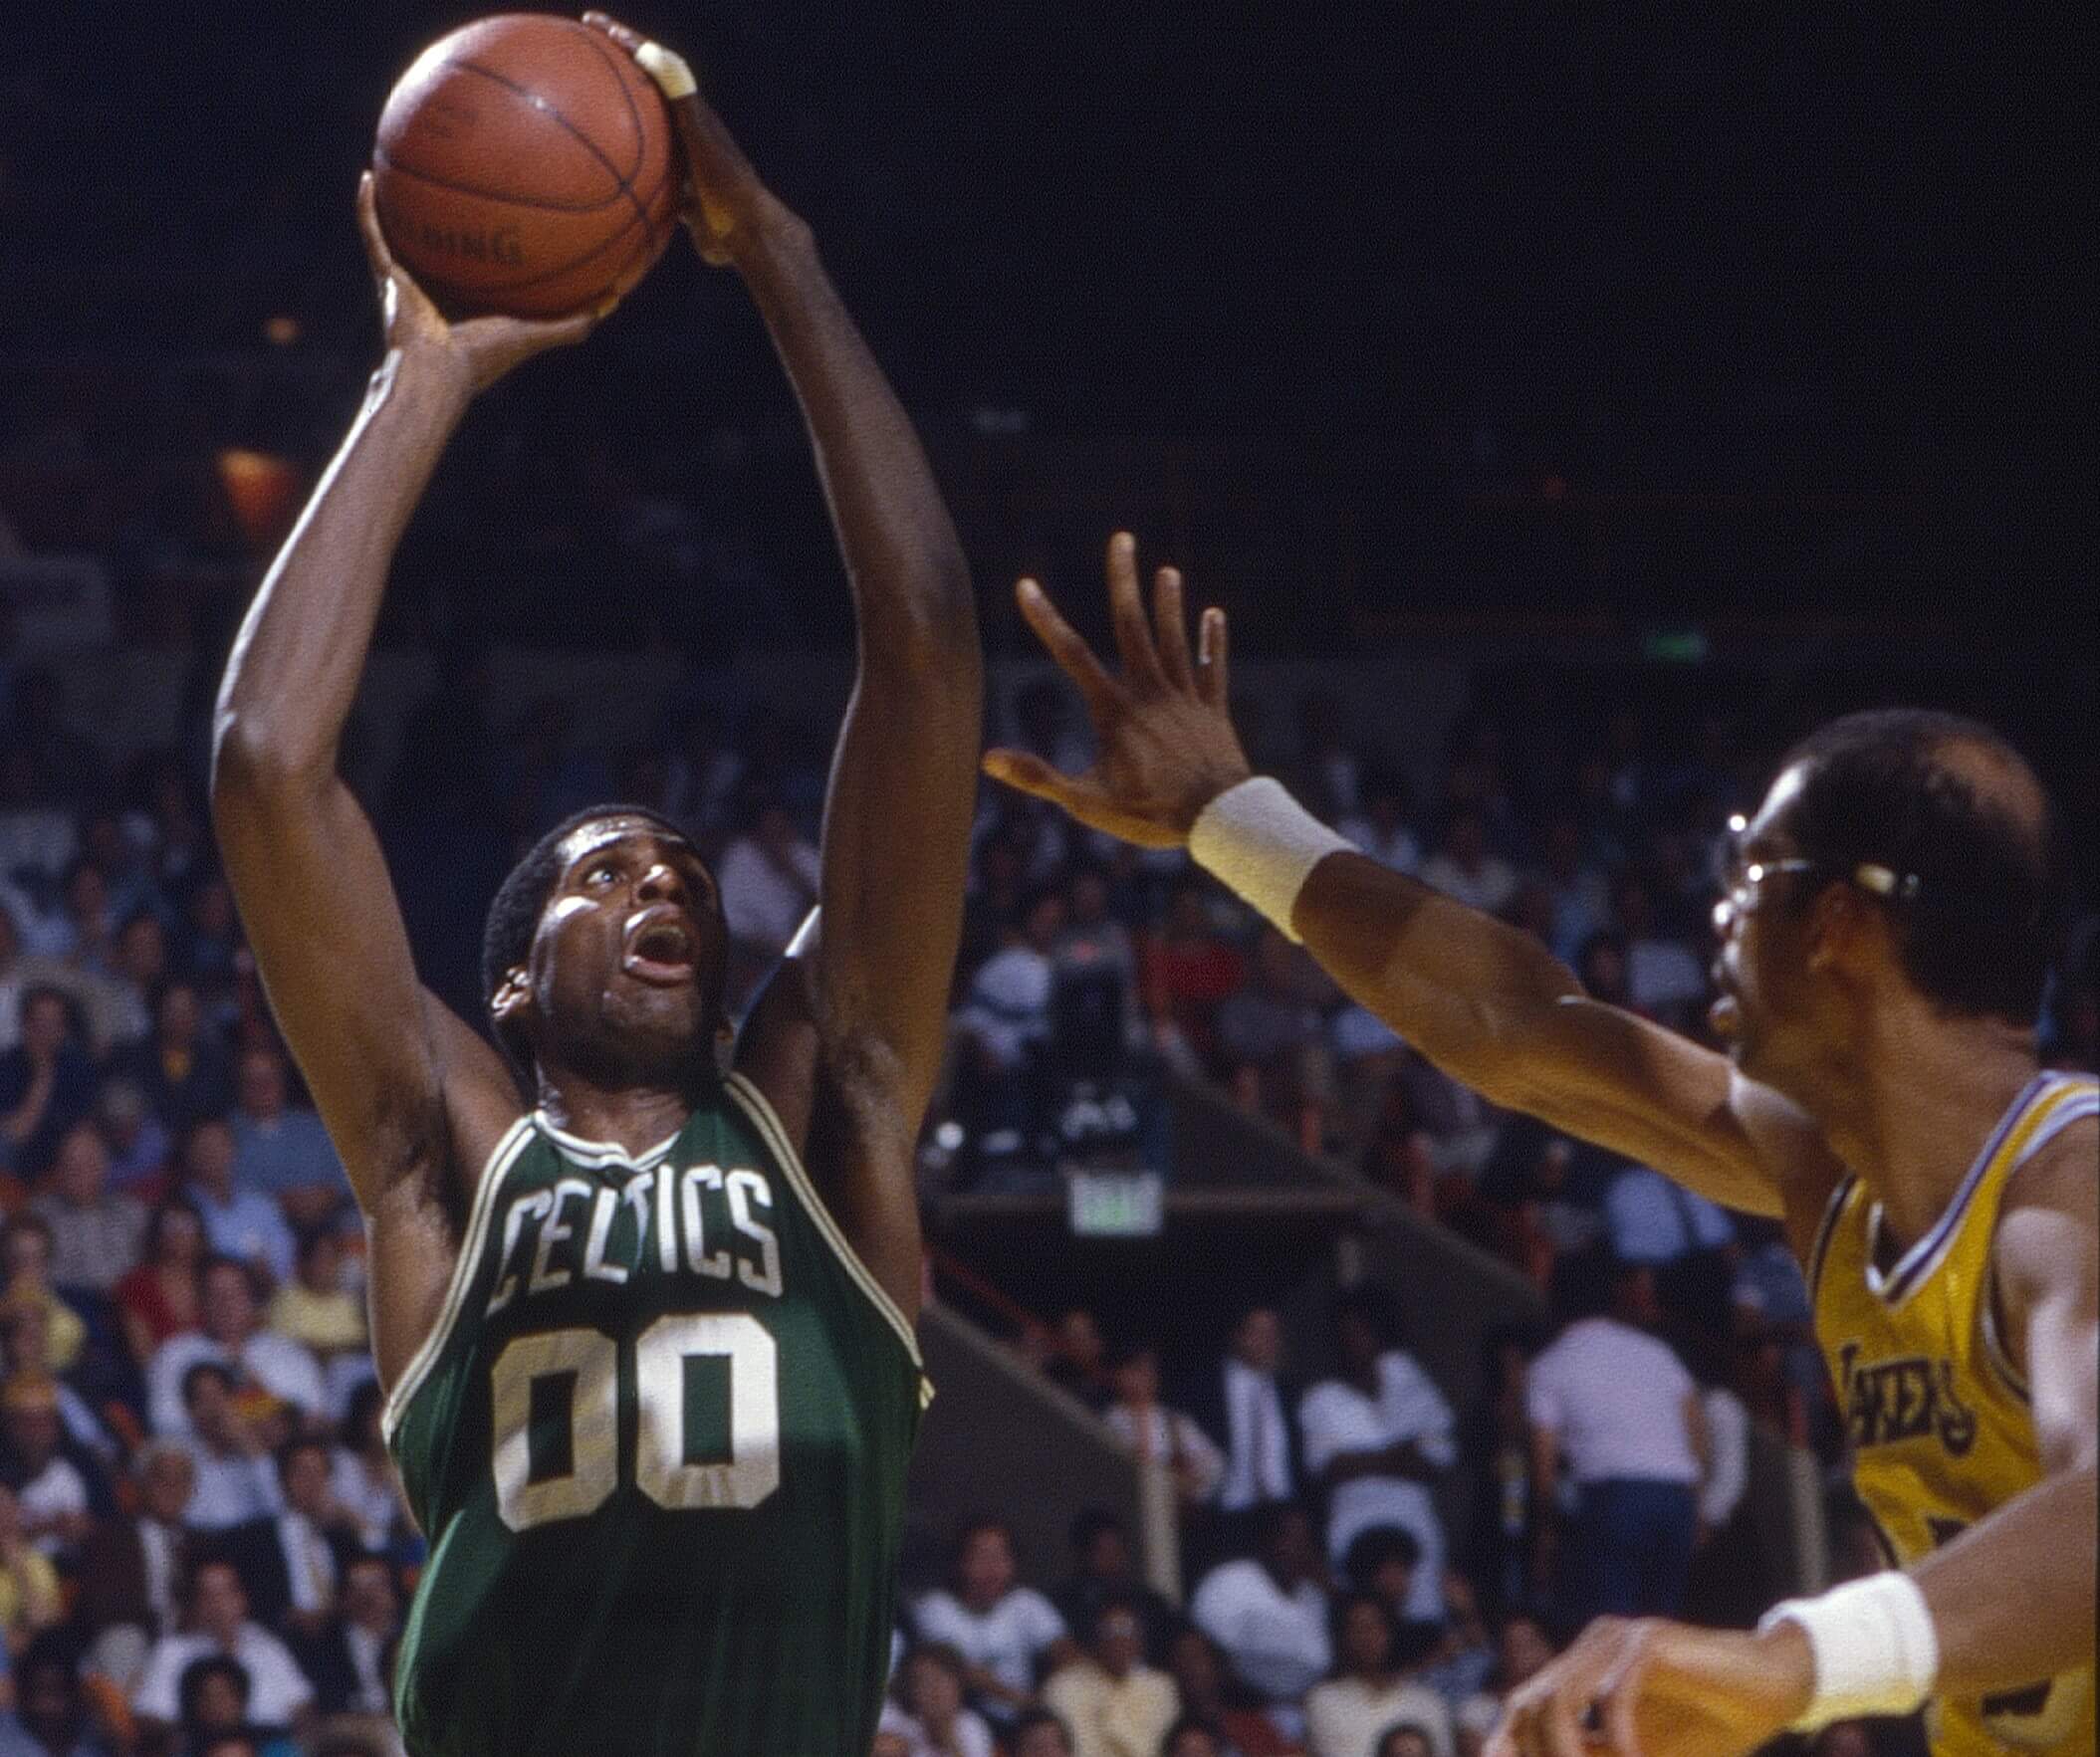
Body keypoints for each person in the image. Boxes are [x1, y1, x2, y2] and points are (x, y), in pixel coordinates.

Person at [206, 18, 979, 1754]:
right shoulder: (444, 1153)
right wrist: (418, 383)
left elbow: (922, 647)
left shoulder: (822, 1109)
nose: (663, 887)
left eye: (687, 878)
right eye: (604, 869)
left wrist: (779, 258)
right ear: (504, 981)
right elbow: (268, 764)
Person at [985, 549, 2094, 1755]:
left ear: (1838, 923)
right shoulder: (1833, 1173)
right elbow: (1520, 1027)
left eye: (1750, 868)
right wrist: (1228, 820)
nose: (1718, 913)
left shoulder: (2069, 1187)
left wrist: (1788, 1660)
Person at [1523, 1255, 1707, 1634]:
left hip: (1614, 1503)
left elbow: (1543, 1471)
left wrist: (1546, 1534)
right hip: (1676, 1500)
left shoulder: (1549, 1366)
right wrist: (1697, 1505)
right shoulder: (1656, 1352)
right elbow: (1697, 1433)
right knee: (1661, 1631)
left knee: (1610, 1633)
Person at [1296, 1283, 1456, 1623]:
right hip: (1353, 1526)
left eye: (1363, 1331)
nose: (1355, 1342)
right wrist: (1398, 1455)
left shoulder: (1413, 1385)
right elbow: (1329, 1468)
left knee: (1421, 1620)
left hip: (1414, 1525)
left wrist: (1361, 1459)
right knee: (1366, 1623)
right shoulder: (1322, 1399)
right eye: (1347, 1333)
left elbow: (1437, 1462)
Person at [130, 1560, 313, 1743]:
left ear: (242, 1599)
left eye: (226, 1593)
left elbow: (301, 1705)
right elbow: (151, 1718)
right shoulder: (172, 1651)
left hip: (269, 1744)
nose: (218, 1605)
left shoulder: (267, 1646)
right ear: (195, 1604)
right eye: (208, 1595)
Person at [913, 1520, 1072, 1726]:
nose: (992, 1567)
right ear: (960, 1562)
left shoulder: (1025, 1602)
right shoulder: (935, 1607)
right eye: (981, 1557)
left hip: (1023, 1722)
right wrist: (1026, 1702)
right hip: (963, 1720)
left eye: (1000, 1556)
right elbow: (962, 1670)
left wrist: (1052, 1692)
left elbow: (1066, 1652)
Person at [1303, 1591, 1456, 1757]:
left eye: (1375, 1626)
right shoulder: (1324, 1701)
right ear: (1342, 1637)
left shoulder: (1428, 1703)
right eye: (1357, 1628)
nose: (1368, 1637)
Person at [1040, 1593, 1181, 1757]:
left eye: (1127, 1630)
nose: (1119, 1640)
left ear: (1140, 1640)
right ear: (1094, 1638)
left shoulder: (1161, 1688)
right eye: (1110, 1631)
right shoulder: (1062, 1688)